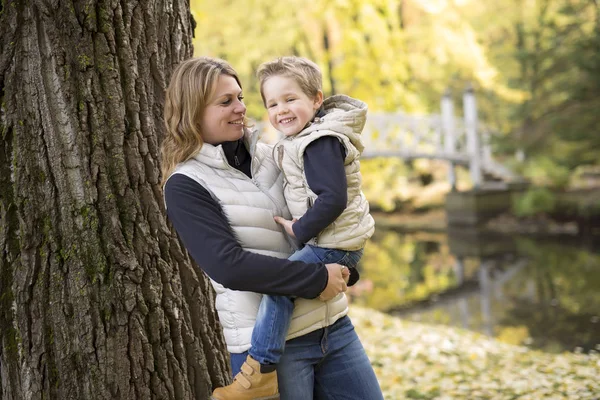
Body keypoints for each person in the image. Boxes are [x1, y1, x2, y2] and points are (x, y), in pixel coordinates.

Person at [161, 56, 383, 400]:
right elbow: (229, 267)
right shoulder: (186, 184)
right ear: (193, 112)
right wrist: (319, 279)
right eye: (225, 102)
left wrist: (345, 269)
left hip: (333, 328)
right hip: (272, 351)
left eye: (240, 98)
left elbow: (326, 217)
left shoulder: (273, 154)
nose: (240, 108)